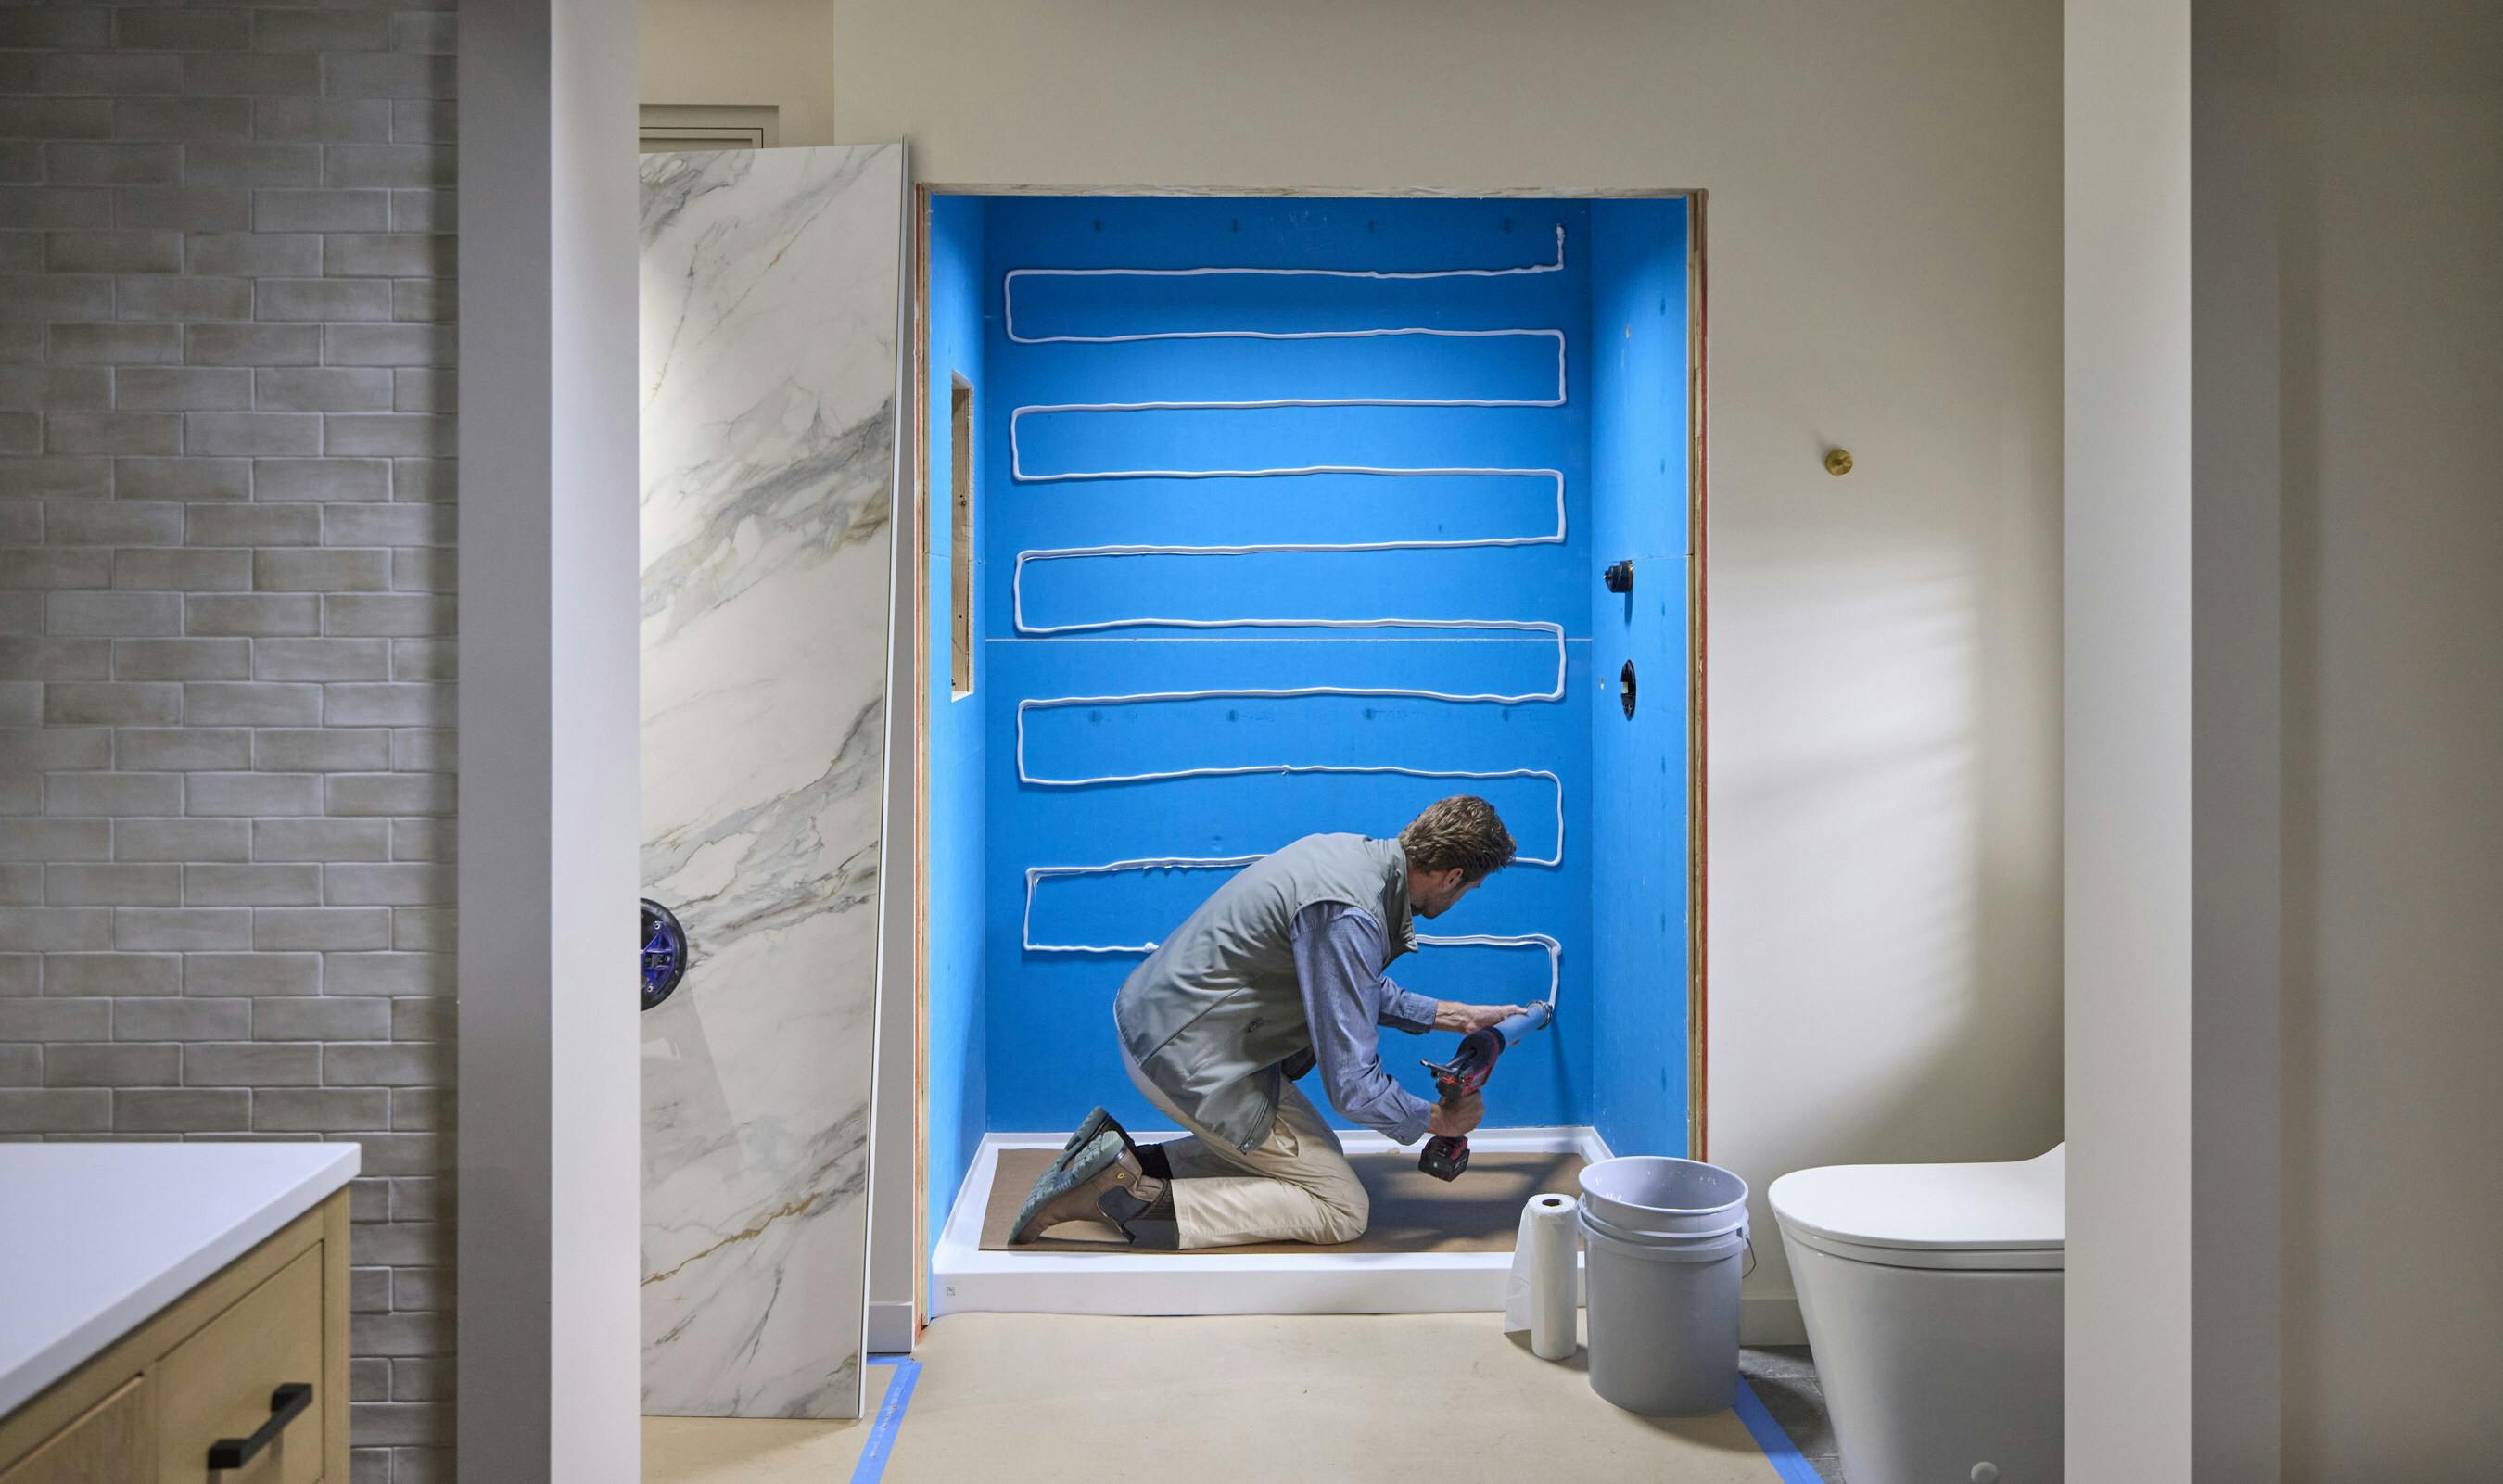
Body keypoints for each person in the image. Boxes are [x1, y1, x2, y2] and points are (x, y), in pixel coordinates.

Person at [1010, 795, 1529, 1249]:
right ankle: (1120, 1197)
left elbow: (1346, 980)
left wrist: (1457, 1016)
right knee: (1342, 1207)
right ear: (1452, 876)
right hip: (1183, 1053)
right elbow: (1352, 1087)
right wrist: (1439, 1121)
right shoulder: (1351, 912)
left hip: (1170, 1023)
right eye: (1468, 888)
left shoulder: (1351, 858)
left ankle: (1118, 1162)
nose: (1460, 897)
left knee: (1321, 1157)